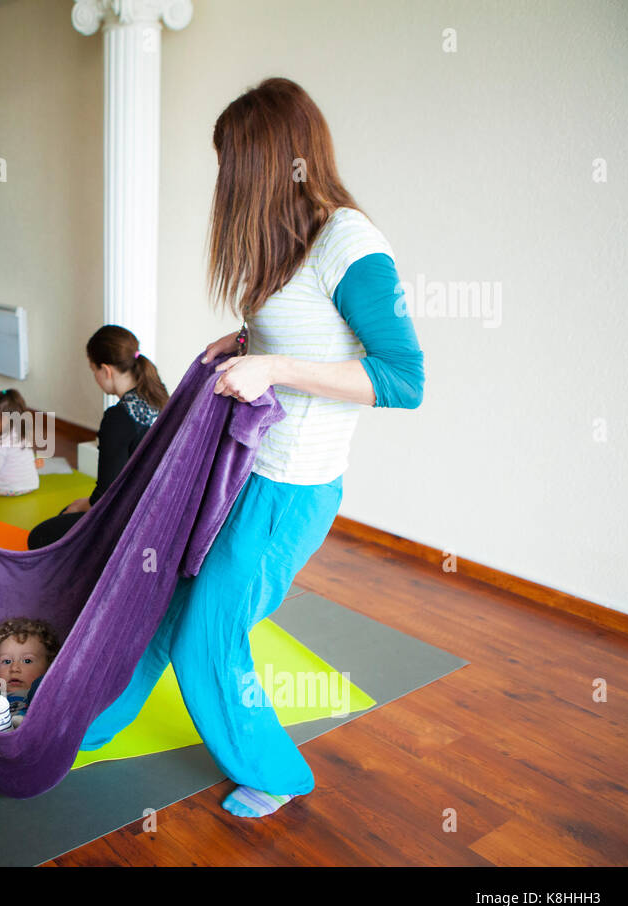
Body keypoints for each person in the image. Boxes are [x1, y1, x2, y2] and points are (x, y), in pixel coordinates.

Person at [81, 78, 425, 819]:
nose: (225, 180)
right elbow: (310, 332)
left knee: (211, 635)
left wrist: (272, 367)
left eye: (231, 162)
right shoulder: (291, 244)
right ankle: (90, 719)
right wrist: (245, 342)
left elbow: (404, 378)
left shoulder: (351, 243)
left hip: (289, 492)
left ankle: (276, 773)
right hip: (243, 475)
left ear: (272, 159)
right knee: (162, 603)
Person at [27, 326, 169, 548]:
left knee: (40, 537)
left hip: (129, 522)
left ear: (106, 370)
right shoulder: (160, 400)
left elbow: (107, 493)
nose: (95, 377)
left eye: (93, 370)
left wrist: (86, 504)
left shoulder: (119, 418)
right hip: (162, 514)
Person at [0, 618, 61, 732]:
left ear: (49, 668)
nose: (14, 668)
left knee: (44, 692)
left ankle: (24, 725)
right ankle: (2, 727)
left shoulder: (45, 693)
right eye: (6, 661)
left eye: (27, 661)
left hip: (39, 731)